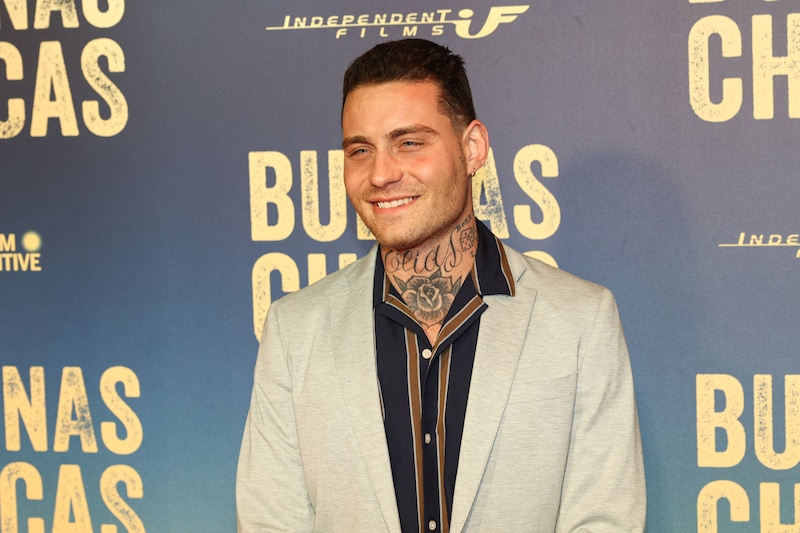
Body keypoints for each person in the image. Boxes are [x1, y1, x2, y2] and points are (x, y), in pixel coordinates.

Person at [237, 38, 646, 532]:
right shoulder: (295, 330)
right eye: (360, 150)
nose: (381, 174)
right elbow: (271, 521)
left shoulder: (581, 319)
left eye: (409, 143)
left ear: (472, 148)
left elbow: (603, 519)